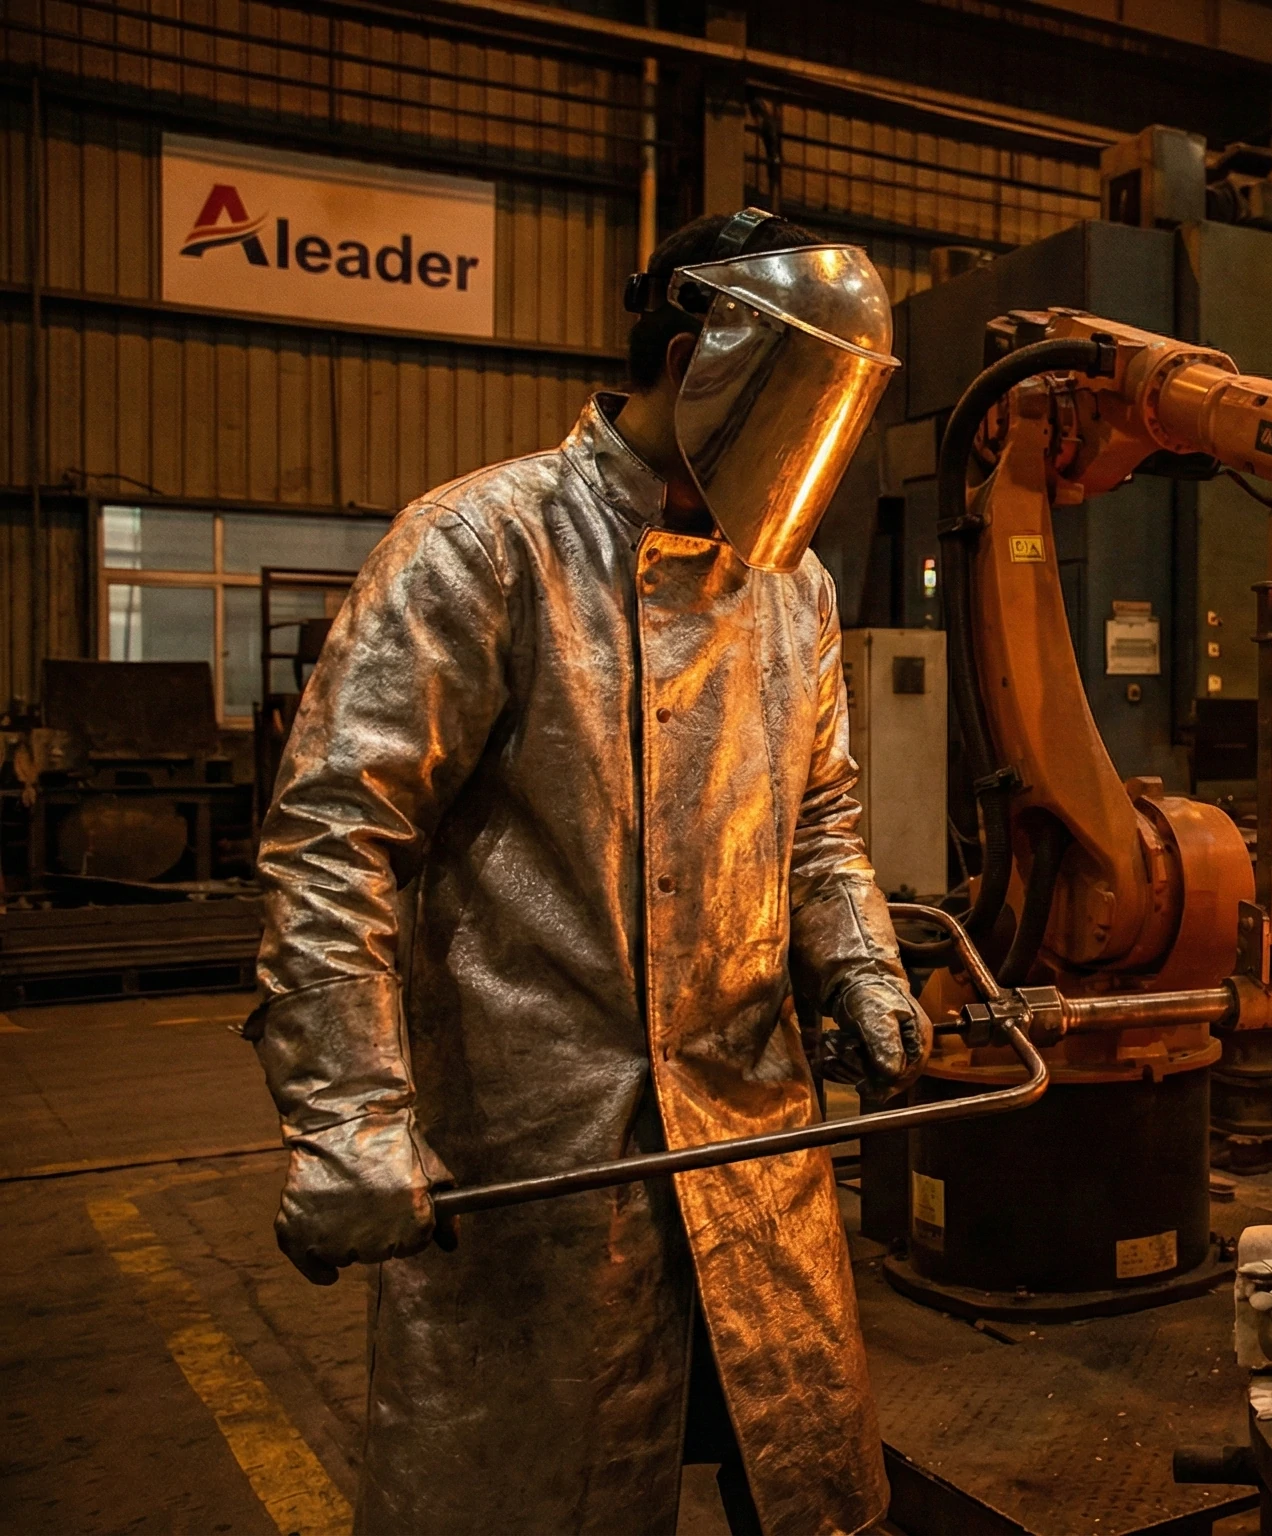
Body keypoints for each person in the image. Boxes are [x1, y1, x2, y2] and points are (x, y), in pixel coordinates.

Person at [248, 208, 928, 1536]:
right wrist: (348, 1117)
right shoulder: (479, 546)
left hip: (745, 1142)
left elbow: (820, 825)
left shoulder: (788, 592)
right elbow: (339, 841)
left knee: (806, 1492)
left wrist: (859, 961)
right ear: (698, 354)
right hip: (541, 1163)